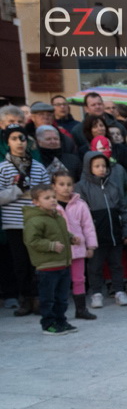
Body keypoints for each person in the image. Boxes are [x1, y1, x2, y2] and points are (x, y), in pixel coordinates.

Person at [2, 127, 53, 316]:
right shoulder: (2, 168)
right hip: (14, 223)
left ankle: (39, 298)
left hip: (37, 222)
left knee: (38, 263)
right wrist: (16, 190)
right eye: (14, 138)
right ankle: (25, 299)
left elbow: (48, 193)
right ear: (8, 142)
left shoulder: (38, 167)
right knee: (20, 263)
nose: (19, 142)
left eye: (23, 138)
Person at [77, 151, 127, 308]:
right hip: (94, 235)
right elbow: (80, 214)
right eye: (97, 166)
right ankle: (96, 293)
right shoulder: (81, 187)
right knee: (95, 266)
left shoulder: (113, 186)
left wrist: (126, 230)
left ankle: (119, 291)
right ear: (88, 167)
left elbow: (123, 210)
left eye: (104, 166)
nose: (101, 169)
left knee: (116, 264)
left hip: (114, 232)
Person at [24, 184, 80, 335]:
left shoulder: (57, 217)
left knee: (61, 298)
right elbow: (31, 241)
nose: (52, 200)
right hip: (47, 266)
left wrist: (71, 238)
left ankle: (61, 321)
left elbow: (61, 234)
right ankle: (48, 324)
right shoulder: (34, 220)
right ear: (36, 202)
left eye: (54, 197)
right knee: (48, 298)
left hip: (63, 264)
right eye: (47, 198)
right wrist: (51, 245)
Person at [51, 170, 97, 320]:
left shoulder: (80, 204)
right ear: (54, 186)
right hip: (58, 251)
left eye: (69, 184)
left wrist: (90, 246)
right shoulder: (50, 206)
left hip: (77, 249)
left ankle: (81, 309)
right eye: (61, 184)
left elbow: (88, 226)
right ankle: (59, 312)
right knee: (59, 281)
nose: (66, 188)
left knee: (79, 279)